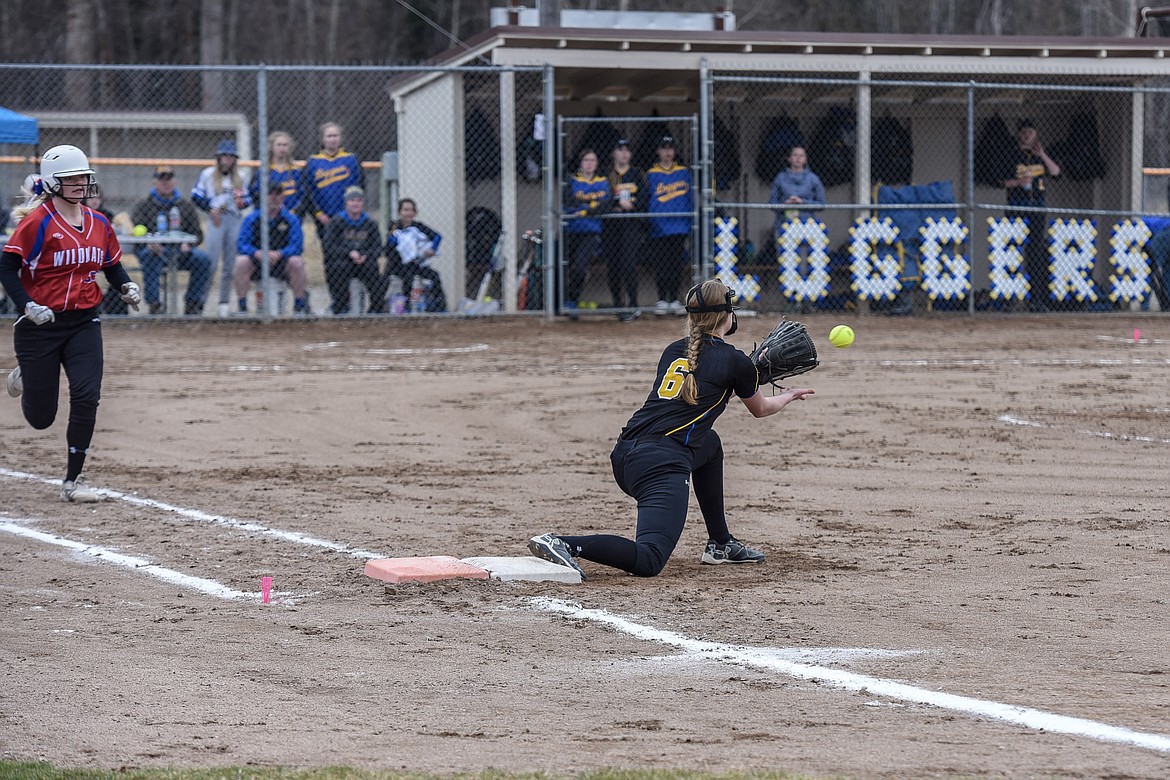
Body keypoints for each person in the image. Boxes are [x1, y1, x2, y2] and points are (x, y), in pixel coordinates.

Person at [527, 278, 815, 580]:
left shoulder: (674, 350)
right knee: (649, 559)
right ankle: (562, 543)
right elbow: (760, 409)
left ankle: (720, 543)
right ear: (728, 315)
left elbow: (703, 381)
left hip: (626, 454)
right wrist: (786, 394)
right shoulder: (735, 362)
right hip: (660, 465)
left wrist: (747, 373)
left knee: (710, 444)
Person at [1, 144, 142, 502]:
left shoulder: (99, 222)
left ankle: (72, 482)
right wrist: (27, 304)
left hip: (83, 322)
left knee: (86, 395)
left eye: (84, 177)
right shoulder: (38, 222)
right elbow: (7, 266)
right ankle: (24, 375)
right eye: (71, 178)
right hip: (40, 326)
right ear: (52, 183)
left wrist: (125, 284)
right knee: (41, 418)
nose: (81, 183)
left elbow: (109, 263)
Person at [128, 165, 213, 315]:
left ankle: (192, 303)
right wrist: (149, 242)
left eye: (169, 179)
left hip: (180, 252)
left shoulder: (184, 205)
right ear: (155, 182)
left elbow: (198, 234)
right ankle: (155, 305)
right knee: (149, 256)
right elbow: (136, 230)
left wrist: (189, 243)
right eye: (162, 179)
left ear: (174, 181)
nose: (166, 183)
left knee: (203, 259)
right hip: (154, 252)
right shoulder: (144, 204)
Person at [1003, 119, 1060, 311]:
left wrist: (1041, 154)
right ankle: (1012, 297)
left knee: (1035, 251)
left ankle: (1035, 298)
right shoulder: (1010, 154)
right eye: (1024, 132)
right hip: (1017, 205)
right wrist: (1018, 183)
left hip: (1037, 206)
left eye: (1031, 132)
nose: (1027, 135)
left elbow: (1056, 172)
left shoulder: (1040, 155)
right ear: (1019, 134)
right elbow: (999, 181)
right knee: (1013, 251)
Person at [192, 139, 251, 317]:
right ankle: (200, 302)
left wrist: (241, 201)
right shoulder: (208, 174)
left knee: (230, 265)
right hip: (215, 219)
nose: (227, 160)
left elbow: (247, 200)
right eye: (224, 156)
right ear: (218, 158)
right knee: (210, 262)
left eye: (230, 157)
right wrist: (211, 209)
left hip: (233, 219)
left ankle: (224, 303)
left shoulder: (240, 176)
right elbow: (196, 196)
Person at [233, 182, 310, 315]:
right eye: (270, 194)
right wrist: (257, 253)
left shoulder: (291, 219)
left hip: (282, 262)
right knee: (241, 262)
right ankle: (242, 307)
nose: (274, 198)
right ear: (263, 197)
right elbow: (241, 244)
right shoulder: (252, 218)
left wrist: (280, 253)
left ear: (283, 198)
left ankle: (299, 307)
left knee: (297, 262)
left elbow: (297, 246)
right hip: (257, 262)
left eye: (278, 194)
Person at [645, 135, 693, 315]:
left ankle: (674, 298)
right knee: (661, 263)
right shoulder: (651, 173)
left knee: (676, 263)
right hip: (659, 227)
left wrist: (689, 222)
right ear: (658, 151)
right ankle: (662, 299)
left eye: (670, 148)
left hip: (679, 225)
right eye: (664, 148)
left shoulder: (683, 172)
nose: (667, 152)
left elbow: (689, 198)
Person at [321, 186, 387, 315]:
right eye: (352, 200)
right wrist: (348, 253)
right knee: (338, 268)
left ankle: (376, 307)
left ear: (363, 203)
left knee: (373, 269)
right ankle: (340, 306)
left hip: (363, 262)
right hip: (342, 261)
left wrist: (366, 255)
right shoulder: (336, 222)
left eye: (359, 200)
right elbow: (328, 246)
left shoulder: (370, 223)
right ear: (346, 203)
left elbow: (378, 247)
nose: (355, 203)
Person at [562, 147, 609, 318]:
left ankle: (572, 300)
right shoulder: (572, 181)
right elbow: (569, 202)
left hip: (590, 231)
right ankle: (560, 301)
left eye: (592, 161)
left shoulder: (602, 182)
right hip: (571, 230)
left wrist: (585, 209)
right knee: (564, 266)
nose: (589, 164)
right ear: (581, 163)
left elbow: (605, 205)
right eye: (586, 160)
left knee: (581, 267)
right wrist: (592, 206)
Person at [605, 138, 647, 322]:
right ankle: (617, 304)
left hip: (631, 224)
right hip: (611, 226)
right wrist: (616, 202)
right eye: (619, 150)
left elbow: (645, 196)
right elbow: (601, 197)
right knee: (613, 265)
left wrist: (632, 205)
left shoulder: (637, 173)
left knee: (628, 264)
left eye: (626, 150)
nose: (623, 154)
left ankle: (633, 303)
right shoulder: (606, 173)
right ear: (614, 153)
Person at [303, 122, 363, 249]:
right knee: (329, 253)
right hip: (324, 216)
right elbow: (307, 191)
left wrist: (353, 211)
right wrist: (318, 214)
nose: (333, 139)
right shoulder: (313, 161)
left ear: (341, 138)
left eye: (335, 136)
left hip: (348, 216)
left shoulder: (351, 159)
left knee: (350, 250)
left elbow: (360, 186)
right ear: (322, 139)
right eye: (329, 136)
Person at [384, 198, 446, 313]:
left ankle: (440, 306)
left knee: (435, 276)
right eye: (405, 210)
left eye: (411, 210)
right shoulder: (394, 226)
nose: (408, 213)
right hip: (397, 264)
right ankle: (402, 307)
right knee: (404, 277)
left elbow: (437, 236)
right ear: (399, 212)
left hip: (415, 264)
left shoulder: (418, 226)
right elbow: (390, 243)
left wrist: (433, 249)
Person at [769, 145, 825, 231]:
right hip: (784, 224)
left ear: (805, 159)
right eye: (795, 155)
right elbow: (772, 203)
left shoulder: (813, 178)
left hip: (807, 225)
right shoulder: (780, 177)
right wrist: (785, 204)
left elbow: (821, 204)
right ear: (789, 158)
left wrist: (802, 202)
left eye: (801, 156)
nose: (798, 158)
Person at [248, 130, 303, 215]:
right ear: (272, 147)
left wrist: (294, 211)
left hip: (291, 214)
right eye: (279, 145)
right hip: (268, 215)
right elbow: (255, 194)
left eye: (285, 145)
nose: (282, 148)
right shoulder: (264, 171)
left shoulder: (296, 171)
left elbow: (302, 195)